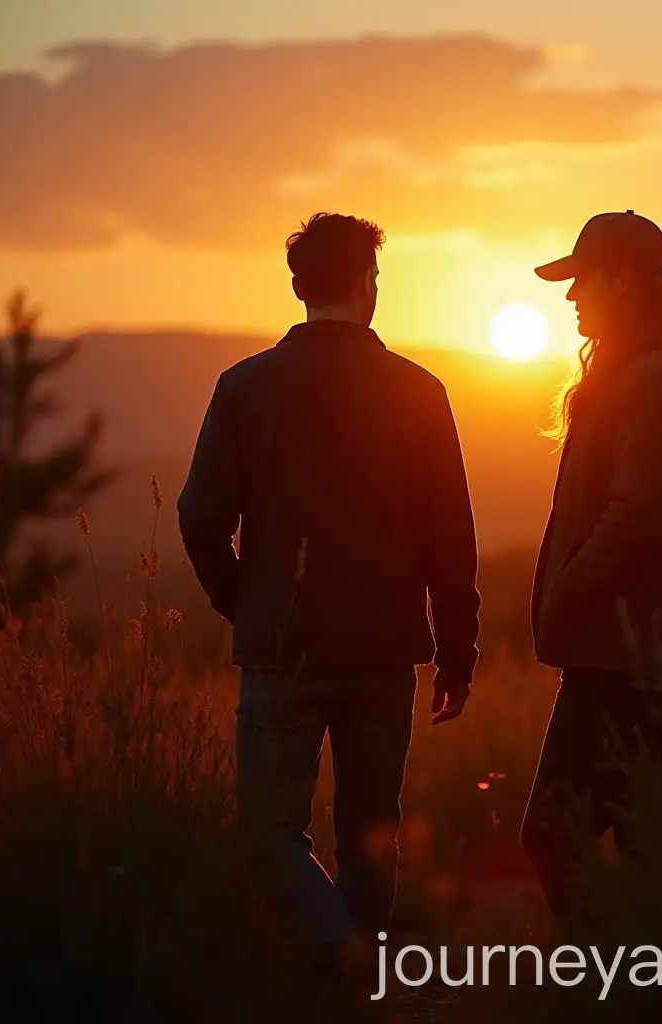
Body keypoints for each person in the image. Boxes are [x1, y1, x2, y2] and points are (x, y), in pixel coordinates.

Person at [177, 212, 480, 977]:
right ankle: (359, 972)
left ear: (297, 285)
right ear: (365, 284)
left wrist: (243, 600)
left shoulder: (244, 386)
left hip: (281, 644)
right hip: (384, 648)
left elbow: (199, 516)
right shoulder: (418, 390)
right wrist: (456, 651)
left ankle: (333, 959)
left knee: (269, 830)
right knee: (371, 828)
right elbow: (451, 534)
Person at [520, 210, 662, 921]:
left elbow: (642, 519)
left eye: (582, 279)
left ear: (621, 280)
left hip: (626, 654)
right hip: (648, 649)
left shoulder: (655, 384)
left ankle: (611, 987)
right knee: (653, 842)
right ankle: (661, 989)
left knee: (557, 835)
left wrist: (567, 597)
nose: (571, 296)